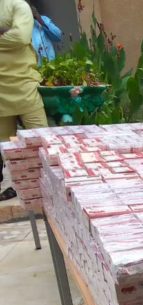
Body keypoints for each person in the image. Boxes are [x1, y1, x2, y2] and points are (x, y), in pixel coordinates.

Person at [0, 0, 48, 201]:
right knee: (5, 145)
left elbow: (20, 37)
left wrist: (9, 34)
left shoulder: (18, 5)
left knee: (41, 139)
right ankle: (16, 185)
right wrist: (4, 33)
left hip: (24, 85)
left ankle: (48, 183)